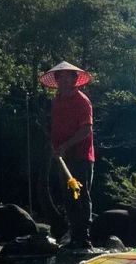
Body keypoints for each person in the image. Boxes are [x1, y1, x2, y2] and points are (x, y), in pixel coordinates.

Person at [40, 60, 98, 252]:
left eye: (68, 77)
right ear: (57, 80)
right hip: (62, 157)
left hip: (81, 156)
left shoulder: (82, 101)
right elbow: (57, 128)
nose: (64, 81)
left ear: (75, 79)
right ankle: (74, 236)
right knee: (68, 197)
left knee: (80, 195)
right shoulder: (57, 101)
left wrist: (65, 145)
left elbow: (86, 130)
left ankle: (84, 238)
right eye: (61, 77)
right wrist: (55, 146)